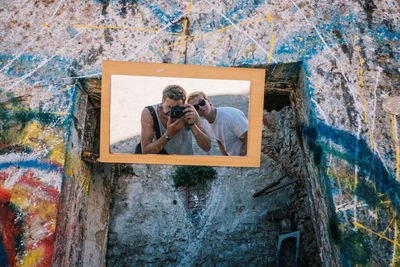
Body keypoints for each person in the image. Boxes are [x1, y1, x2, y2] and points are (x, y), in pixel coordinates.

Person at [140, 85, 211, 155]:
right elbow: (145, 151)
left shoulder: (188, 112)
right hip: (162, 164)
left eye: (177, 108)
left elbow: (207, 147)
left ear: (184, 105)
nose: (172, 112)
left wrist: (192, 124)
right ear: (162, 102)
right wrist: (168, 135)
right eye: (169, 107)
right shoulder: (150, 113)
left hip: (185, 163)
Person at [187, 91, 248, 156]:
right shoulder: (206, 123)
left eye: (202, 103)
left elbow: (248, 139)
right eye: (196, 107)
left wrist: (240, 161)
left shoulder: (231, 117)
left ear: (208, 101)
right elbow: (219, 141)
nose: (201, 108)